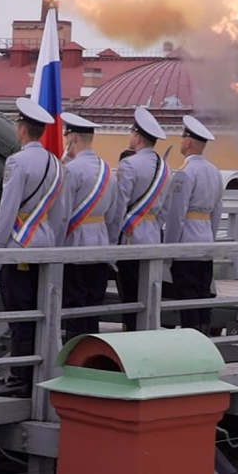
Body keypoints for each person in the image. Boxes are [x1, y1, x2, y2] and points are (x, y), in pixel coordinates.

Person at [0, 97, 68, 398]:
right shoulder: (56, 164)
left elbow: (7, 210)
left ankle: (20, 379)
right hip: (44, 242)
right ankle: (36, 373)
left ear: (22, 129)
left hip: (19, 244)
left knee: (20, 315)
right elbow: (60, 212)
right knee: (39, 312)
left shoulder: (17, 162)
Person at [107, 107, 170, 331]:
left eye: (131, 132)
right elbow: (164, 210)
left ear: (137, 136)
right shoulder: (165, 168)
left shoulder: (129, 164)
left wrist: (112, 241)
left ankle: (131, 335)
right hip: (152, 238)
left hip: (130, 239)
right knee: (148, 296)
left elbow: (119, 207)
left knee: (130, 297)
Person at [160, 115, 223, 333]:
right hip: (206, 242)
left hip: (186, 243)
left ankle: (192, 336)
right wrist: (210, 240)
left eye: (182, 138)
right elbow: (217, 213)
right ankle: (203, 336)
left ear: (188, 142)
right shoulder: (214, 171)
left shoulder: (185, 173)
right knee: (203, 294)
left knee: (187, 296)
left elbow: (176, 215)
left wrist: (169, 249)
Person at [60, 111, 119, 338]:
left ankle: (75, 351)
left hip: (74, 247)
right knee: (94, 307)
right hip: (100, 246)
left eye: (67, 138)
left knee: (74, 308)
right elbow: (113, 215)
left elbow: (62, 214)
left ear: (73, 138)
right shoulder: (108, 171)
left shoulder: (71, 170)